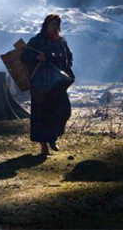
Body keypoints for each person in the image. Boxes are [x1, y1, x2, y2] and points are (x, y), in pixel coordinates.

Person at [21, 13, 74, 156]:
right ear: (46, 25)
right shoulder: (37, 40)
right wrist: (37, 57)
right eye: (52, 24)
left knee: (62, 112)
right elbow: (24, 56)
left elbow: (69, 58)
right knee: (41, 114)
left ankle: (53, 138)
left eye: (57, 24)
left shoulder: (61, 41)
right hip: (41, 84)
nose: (54, 27)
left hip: (57, 84)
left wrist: (55, 60)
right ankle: (43, 145)